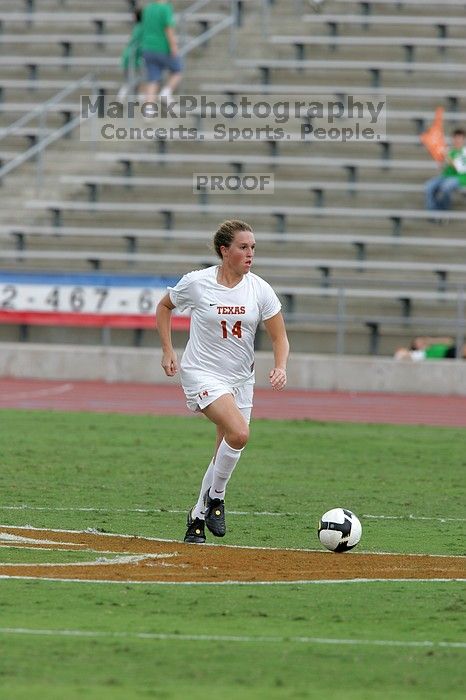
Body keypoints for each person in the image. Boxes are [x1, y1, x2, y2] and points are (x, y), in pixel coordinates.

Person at [156, 220, 289, 544]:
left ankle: (197, 518)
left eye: (253, 248)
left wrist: (281, 366)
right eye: (243, 247)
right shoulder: (198, 283)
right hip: (202, 372)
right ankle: (217, 497)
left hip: (241, 379)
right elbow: (164, 306)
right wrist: (168, 350)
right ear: (224, 250)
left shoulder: (260, 289)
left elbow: (279, 337)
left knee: (224, 451)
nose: (250, 254)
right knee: (240, 433)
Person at [140, 1, 183, 102]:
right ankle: (166, 93)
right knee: (177, 71)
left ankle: (149, 110)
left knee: (152, 79)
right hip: (162, 47)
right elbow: (168, 28)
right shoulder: (165, 8)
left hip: (148, 47)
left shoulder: (148, 8)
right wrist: (173, 46)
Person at [425, 129, 466, 212]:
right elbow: (444, 167)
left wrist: (447, 156)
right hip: (446, 176)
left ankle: (444, 210)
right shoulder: (450, 150)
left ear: (464, 139)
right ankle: (432, 212)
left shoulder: (464, 152)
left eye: (460, 138)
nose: (457, 140)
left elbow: (460, 169)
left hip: (460, 178)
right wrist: (440, 162)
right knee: (428, 186)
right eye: (455, 138)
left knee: (445, 187)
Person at [118, 7, 143, 100]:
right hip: (132, 57)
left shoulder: (137, 27)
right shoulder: (141, 28)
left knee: (134, 78)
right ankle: (121, 97)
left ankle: (134, 96)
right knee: (132, 79)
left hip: (129, 57)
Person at [394, 336, 466, 361]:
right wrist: (405, 351)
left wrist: (430, 340)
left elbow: (449, 341)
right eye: (418, 342)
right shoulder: (419, 353)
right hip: (445, 355)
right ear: (415, 346)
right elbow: (401, 354)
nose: (421, 341)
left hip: (450, 350)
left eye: (421, 340)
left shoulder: (431, 345)